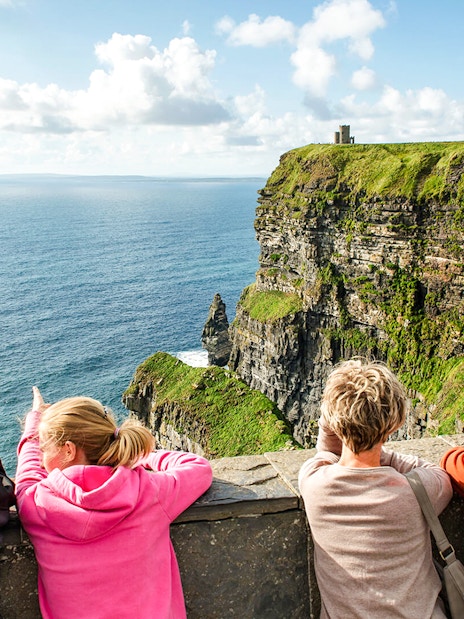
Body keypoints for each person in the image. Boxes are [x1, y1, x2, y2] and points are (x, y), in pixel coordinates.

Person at [15, 386, 213, 619]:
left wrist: (34, 419)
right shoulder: (148, 491)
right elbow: (198, 468)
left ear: (68, 450)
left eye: (44, 448)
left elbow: (28, 472)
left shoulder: (36, 506)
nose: (41, 456)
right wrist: (141, 455)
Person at [298, 359, 452, 619]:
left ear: (332, 421)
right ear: (395, 423)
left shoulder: (314, 483)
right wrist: (377, 447)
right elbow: (435, 470)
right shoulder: (420, 491)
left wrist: (333, 423)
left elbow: (326, 451)